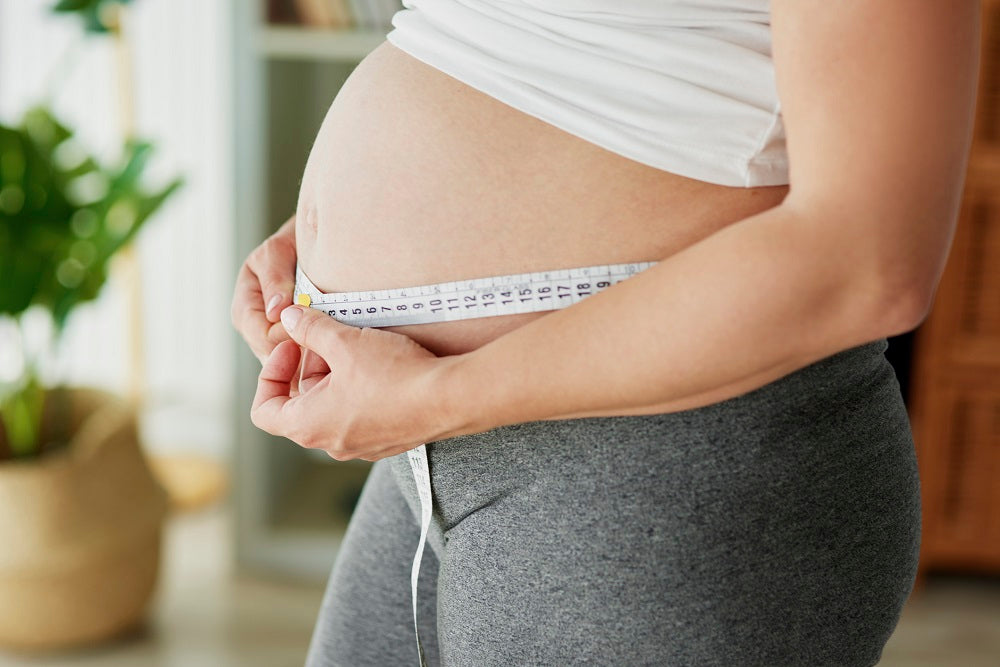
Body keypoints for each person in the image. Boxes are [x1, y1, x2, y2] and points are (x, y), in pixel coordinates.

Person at [231, 1, 981, 664]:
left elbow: (870, 261)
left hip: (666, 470)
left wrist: (443, 390)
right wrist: (326, 238)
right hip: (429, 447)